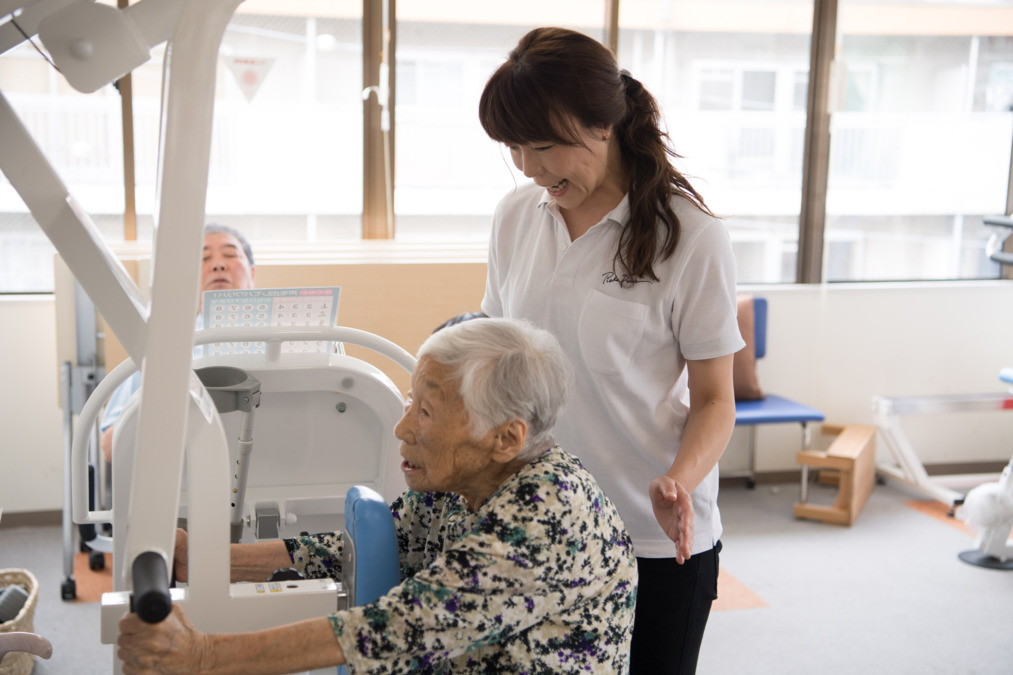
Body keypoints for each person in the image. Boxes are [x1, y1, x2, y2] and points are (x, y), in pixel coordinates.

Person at [117, 317, 638, 674]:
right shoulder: (464, 478)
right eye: (411, 401)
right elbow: (366, 547)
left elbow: (401, 629)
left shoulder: (546, 519)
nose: (402, 428)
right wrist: (206, 561)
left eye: (426, 413)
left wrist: (201, 656)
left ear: (506, 438)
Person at [477, 27, 744, 674]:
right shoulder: (516, 216)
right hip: (537, 527)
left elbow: (714, 401)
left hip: (650, 537)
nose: (528, 168)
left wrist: (677, 482)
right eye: (513, 147)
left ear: (602, 125)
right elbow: (496, 352)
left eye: (542, 146)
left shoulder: (689, 238)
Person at [98, 223, 256, 462]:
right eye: (203, 258)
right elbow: (111, 446)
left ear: (252, 273)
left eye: (230, 255)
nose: (218, 264)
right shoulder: (160, 344)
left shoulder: (294, 339)